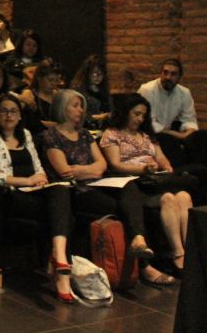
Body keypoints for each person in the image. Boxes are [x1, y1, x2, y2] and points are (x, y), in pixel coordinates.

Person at [41, 90, 156, 273]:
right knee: (122, 209)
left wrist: (82, 169)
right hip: (76, 190)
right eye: (75, 106)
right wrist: (89, 169)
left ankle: (139, 240)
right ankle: (144, 266)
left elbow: (101, 165)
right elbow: (64, 171)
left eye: (81, 106)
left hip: (97, 182)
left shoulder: (85, 134)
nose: (80, 110)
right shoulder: (51, 136)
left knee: (129, 185)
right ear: (63, 108)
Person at [0, 94, 75, 302]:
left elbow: (39, 168)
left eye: (13, 111)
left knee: (61, 191)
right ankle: (61, 271)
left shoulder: (26, 135)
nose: (8, 115)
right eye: (4, 110)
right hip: (10, 194)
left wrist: (39, 178)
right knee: (61, 212)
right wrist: (27, 181)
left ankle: (59, 257)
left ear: (20, 116)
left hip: (34, 192)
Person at [101, 93, 193, 281]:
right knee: (168, 198)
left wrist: (166, 167)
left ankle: (188, 251)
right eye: (136, 114)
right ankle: (177, 254)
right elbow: (115, 164)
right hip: (134, 182)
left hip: (155, 178)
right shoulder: (112, 134)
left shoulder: (147, 136)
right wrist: (141, 168)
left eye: (143, 115)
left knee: (183, 196)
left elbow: (161, 158)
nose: (140, 119)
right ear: (126, 113)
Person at [138, 58, 198, 138]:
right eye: (165, 72)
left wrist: (190, 131)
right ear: (160, 73)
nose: (168, 77)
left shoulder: (184, 93)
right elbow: (148, 122)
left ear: (179, 77)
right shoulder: (147, 90)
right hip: (145, 135)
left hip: (167, 136)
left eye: (173, 74)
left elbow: (189, 120)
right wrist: (178, 135)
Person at [70, 54, 112, 129]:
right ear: (87, 73)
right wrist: (100, 116)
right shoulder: (78, 90)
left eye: (101, 74)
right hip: (87, 128)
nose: (99, 76)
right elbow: (79, 115)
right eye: (95, 73)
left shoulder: (103, 89)